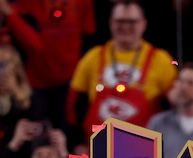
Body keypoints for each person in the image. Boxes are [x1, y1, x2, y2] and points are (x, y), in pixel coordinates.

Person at [68, 1, 176, 132]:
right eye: (120, 21)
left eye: (132, 22)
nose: (125, 27)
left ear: (144, 24)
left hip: (144, 148)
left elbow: (176, 107)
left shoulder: (161, 60)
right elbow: (74, 106)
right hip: (97, 146)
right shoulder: (93, 56)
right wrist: (77, 142)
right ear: (111, 23)